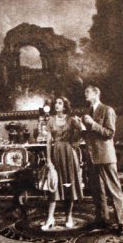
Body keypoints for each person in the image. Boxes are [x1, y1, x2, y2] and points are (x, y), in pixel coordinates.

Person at [82, 85, 123, 236]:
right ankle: (102, 219)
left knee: (114, 189)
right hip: (92, 156)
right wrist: (81, 128)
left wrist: (92, 124)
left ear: (96, 93)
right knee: (96, 189)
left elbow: (109, 133)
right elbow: (90, 135)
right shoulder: (88, 112)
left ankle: (122, 223)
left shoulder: (107, 110)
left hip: (105, 156)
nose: (85, 94)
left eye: (87, 92)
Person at [41, 96, 85, 231]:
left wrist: (75, 144)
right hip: (55, 154)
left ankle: (69, 217)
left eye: (60, 103)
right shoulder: (51, 120)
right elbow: (48, 142)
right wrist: (48, 160)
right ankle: (50, 218)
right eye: (56, 103)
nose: (57, 105)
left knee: (69, 185)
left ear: (65, 106)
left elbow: (83, 132)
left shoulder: (71, 119)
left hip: (69, 155)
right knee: (53, 185)